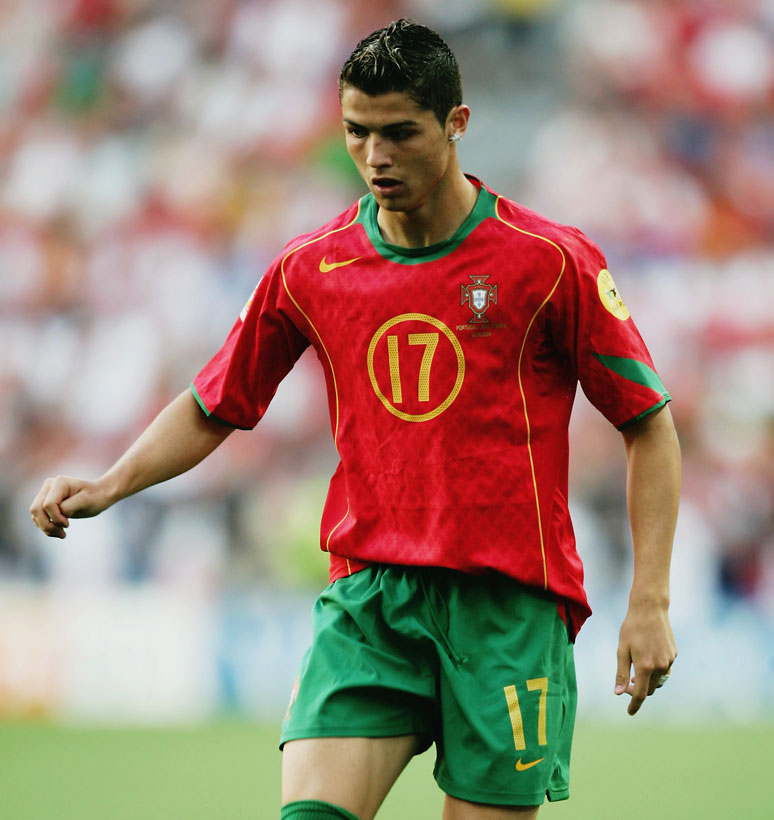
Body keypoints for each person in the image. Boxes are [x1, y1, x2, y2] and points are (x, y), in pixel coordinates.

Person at [30, 19, 680, 820]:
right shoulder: (312, 266)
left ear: (457, 123)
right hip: (371, 600)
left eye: (400, 132)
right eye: (357, 132)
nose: (376, 156)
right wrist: (110, 484)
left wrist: (650, 600)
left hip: (507, 609)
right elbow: (215, 403)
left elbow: (648, 423)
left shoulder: (548, 260)